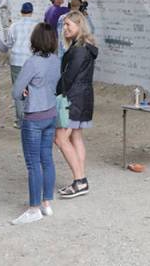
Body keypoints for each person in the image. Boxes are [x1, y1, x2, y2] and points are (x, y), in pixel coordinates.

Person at [11, 23, 61, 225]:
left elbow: (16, 92)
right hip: (50, 114)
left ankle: (33, 209)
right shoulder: (57, 60)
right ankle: (46, 203)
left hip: (34, 117)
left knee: (33, 164)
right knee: (47, 159)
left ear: (35, 40)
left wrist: (25, 93)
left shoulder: (32, 63)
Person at [54, 11, 98, 199]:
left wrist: (55, 92)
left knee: (60, 138)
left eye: (68, 25)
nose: (64, 29)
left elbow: (69, 76)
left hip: (74, 99)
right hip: (82, 98)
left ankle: (80, 181)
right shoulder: (85, 47)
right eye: (64, 25)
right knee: (76, 137)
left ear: (79, 26)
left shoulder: (79, 49)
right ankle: (80, 178)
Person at [5, 2, 38, 127]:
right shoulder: (36, 26)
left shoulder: (13, 26)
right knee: (32, 89)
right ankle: (31, 118)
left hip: (16, 61)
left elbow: (9, 43)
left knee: (19, 90)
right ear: (32, 11)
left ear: (21, 12)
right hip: (31, 61)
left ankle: (20, 120)